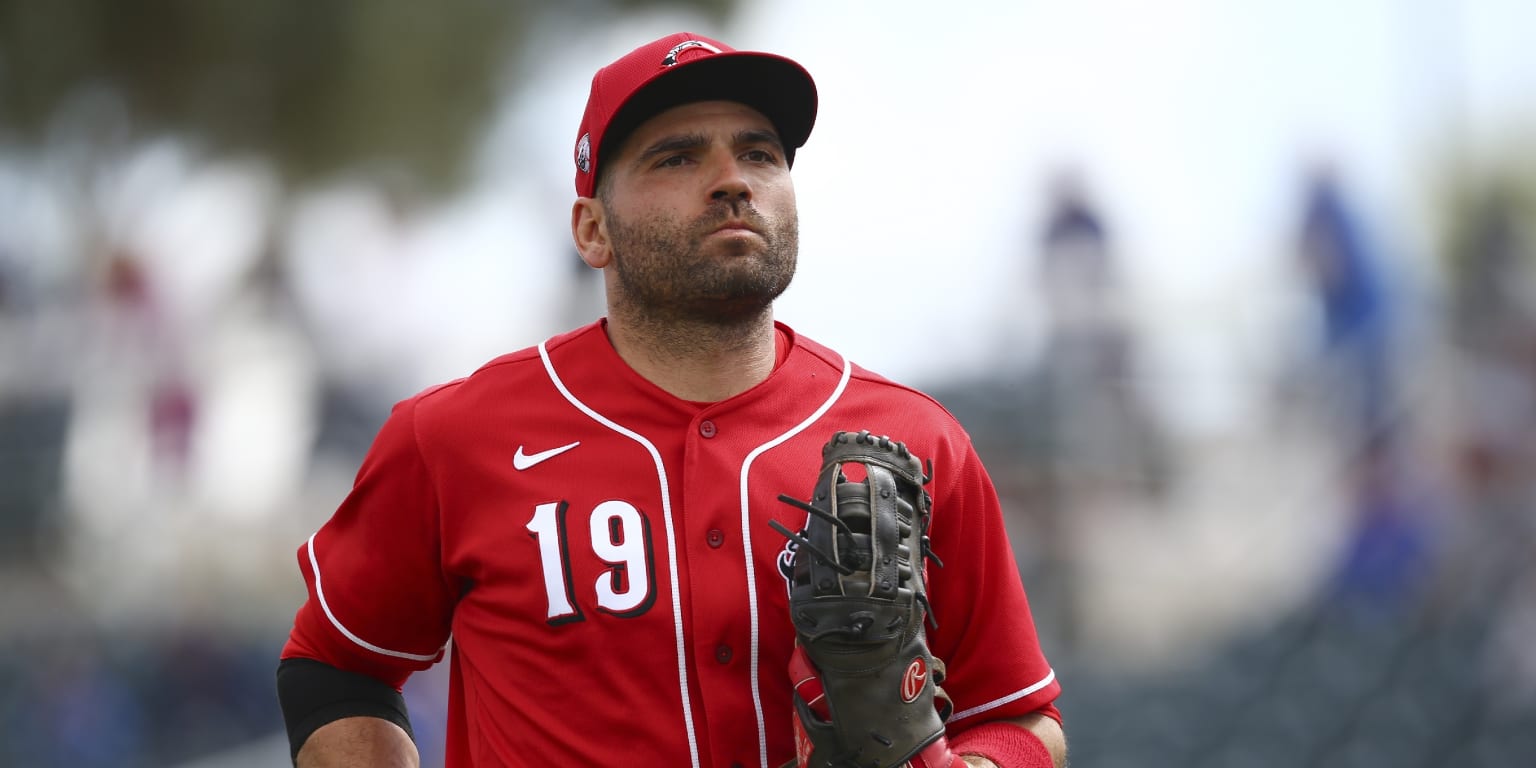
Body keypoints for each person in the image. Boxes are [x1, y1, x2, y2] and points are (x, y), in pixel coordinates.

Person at [275, 31, 1067, 768]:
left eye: (759, 154)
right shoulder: (454, 437)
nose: (732, 182)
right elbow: (334, 665)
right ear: (592, 230)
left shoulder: (913, 442)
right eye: (676, 158)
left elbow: (1022, 716)